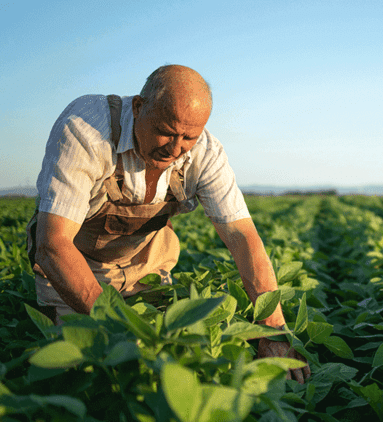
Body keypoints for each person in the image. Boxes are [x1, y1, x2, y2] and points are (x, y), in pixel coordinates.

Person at [26, 64, 310, 383]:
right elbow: (53, 246)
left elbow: (243, 238)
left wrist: (272, 332)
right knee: (84, 373)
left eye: (188, 137)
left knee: (170, 368)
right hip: (75, 271)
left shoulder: (206, 154)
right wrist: (122, 330)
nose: (175, 149)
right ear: (138, 107)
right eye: (166, 131)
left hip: (147, 267)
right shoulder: (86, 130)